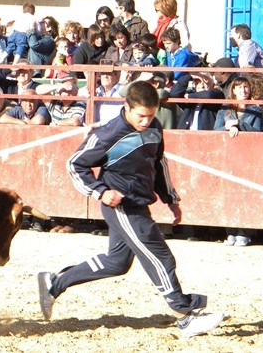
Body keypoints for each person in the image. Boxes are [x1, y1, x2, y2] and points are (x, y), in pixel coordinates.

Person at [37, 81, 224, 338]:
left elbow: (158, 163)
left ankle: (54, 284)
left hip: (139, 203)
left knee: (116, 263)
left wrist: (169, 197)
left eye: (151, 115)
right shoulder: (108, 134)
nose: (147, 121)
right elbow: (74, 164)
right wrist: (100, 191)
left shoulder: (155, 127)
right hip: (121, 206)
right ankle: (184, 315)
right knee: (159, 255)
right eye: (141, 116)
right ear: (127, 107)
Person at [214, 77, 263, 247]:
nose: (243, 91)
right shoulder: (225, 109)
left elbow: (258, 133)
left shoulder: (256, 109)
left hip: (249, 158)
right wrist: (227, 127)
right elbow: (215, 131)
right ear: (233, 91)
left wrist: (239, 124)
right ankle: (231, 232)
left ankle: (245, 232)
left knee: (246, 193)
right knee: (229, 193)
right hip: (229, 157)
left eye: (246, 87)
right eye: (239, 88)